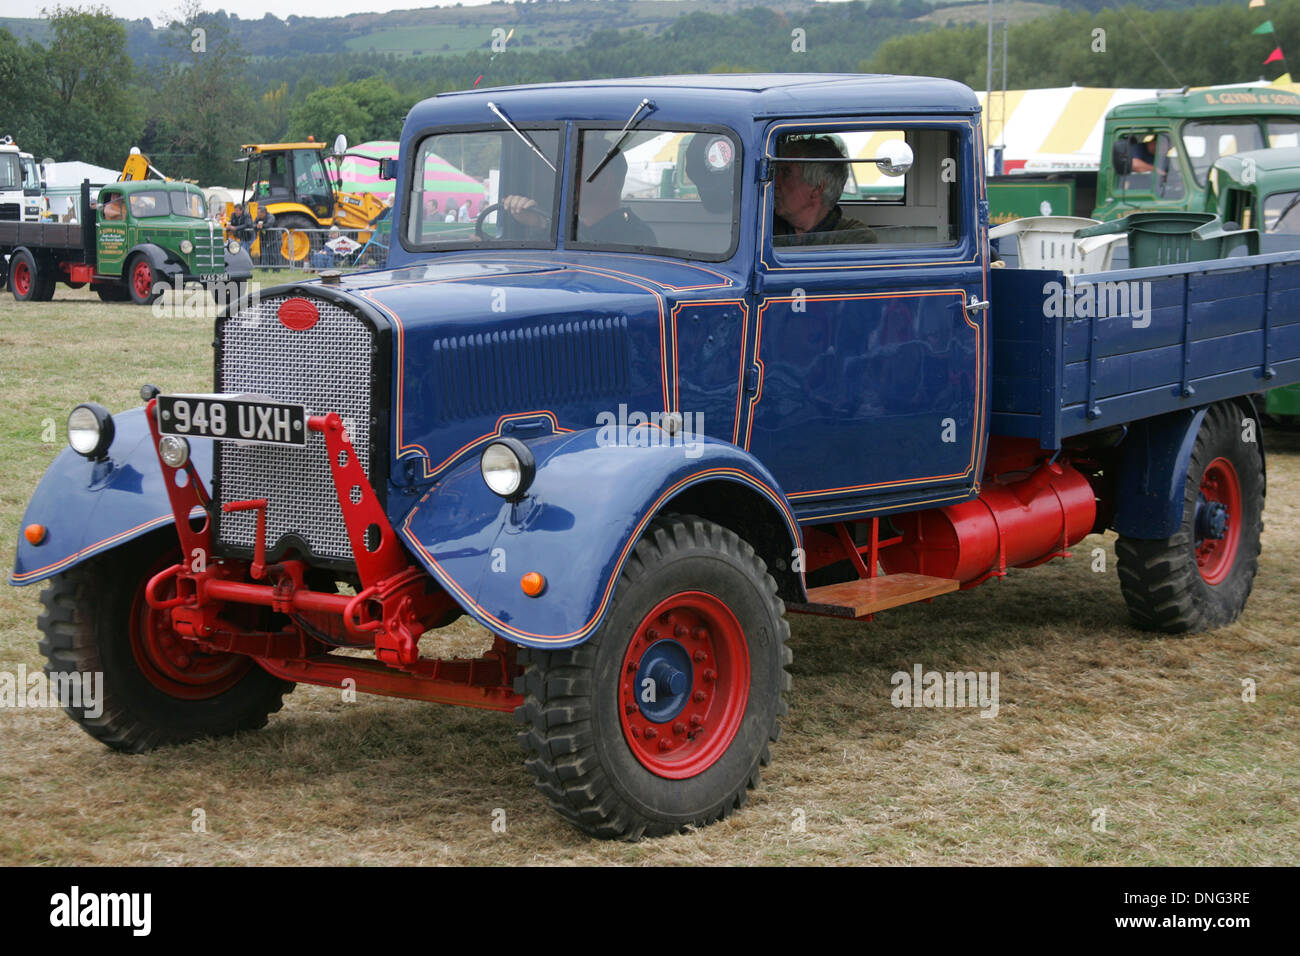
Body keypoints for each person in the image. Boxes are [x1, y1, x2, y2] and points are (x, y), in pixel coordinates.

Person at [502, 138, 656, 246]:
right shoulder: (566, 226)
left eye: (577, 172)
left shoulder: (636, 235)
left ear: (606, 180)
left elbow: (590, 254)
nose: (567, 180)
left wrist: (543, 224)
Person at [773, 135, 877, 246]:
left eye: (786, 173)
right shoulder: (764, 226)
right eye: (776, 172)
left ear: (817, 188)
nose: (775, 182)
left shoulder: (855, 237)